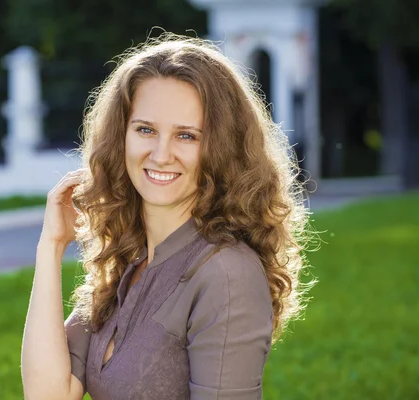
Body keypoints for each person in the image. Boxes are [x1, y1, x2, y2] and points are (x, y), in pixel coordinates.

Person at [21, 33, 315, 400]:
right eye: (145, 129)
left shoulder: (225, 274)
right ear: (121, 137)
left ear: (220, 148)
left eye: (186, 136)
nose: (161, 154)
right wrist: (51, 246)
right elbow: (48, 395)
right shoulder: (129, 261)